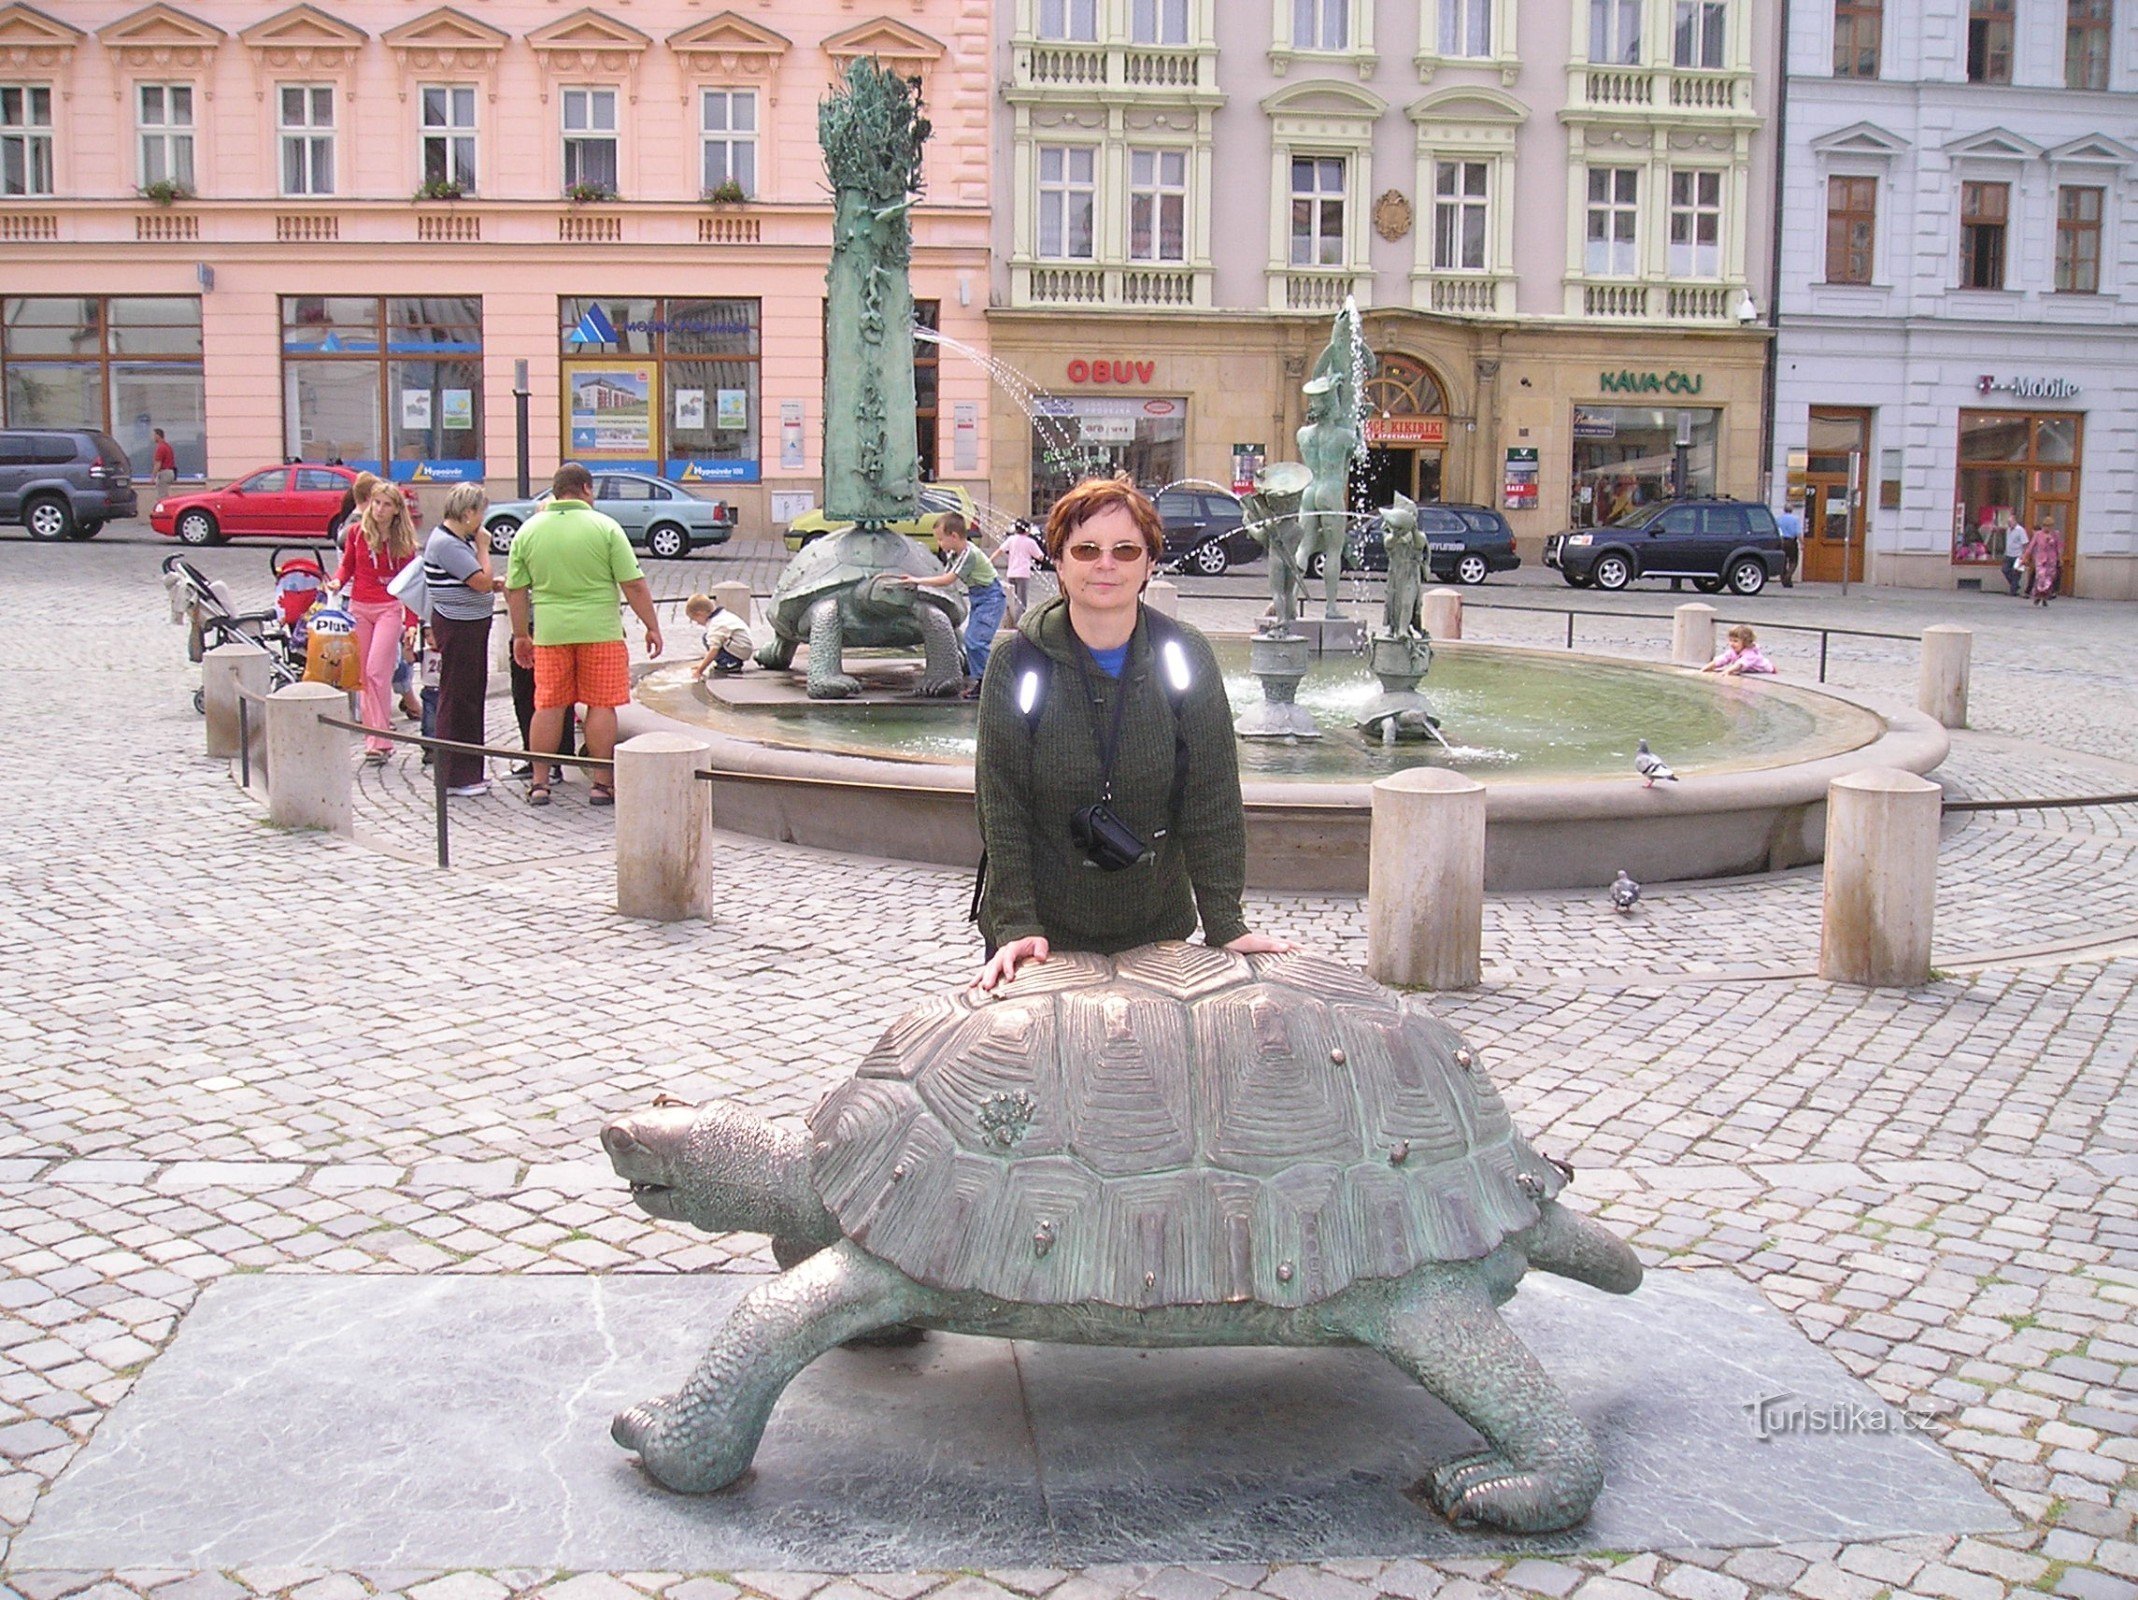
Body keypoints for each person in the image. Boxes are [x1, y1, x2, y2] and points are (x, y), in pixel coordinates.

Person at [971, 476, 1291, 992]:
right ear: (1058, 560)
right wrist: (1017, 925)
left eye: (1125, 550)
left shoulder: (1182, 655)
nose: (1105, 564)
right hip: (1043, 941)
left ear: (1149, 564)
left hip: (1156, 935)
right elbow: (1001, 804)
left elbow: (1211, 797)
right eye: (1086, 549)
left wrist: (1225, 923)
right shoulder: (1019, 662)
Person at [504, 462, 664, 806]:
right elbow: (633, 583)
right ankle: (601, 783)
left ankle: (540, 782)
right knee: (601, 705)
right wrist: (651, 625)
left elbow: (515, 589)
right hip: (601, 631)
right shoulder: (605, 527)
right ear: (587, 489)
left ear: (555, 490)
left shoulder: (529, 530)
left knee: (547, 705)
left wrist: (520, 634)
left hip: (550, 632)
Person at [330, 481, 419, 765]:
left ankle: (379, 738)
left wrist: (413, 621)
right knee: (364, 675)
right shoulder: (357, 533)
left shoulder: (403, 542)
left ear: (396, 510)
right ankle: (377, 740)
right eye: (376, 503)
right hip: (359, 607)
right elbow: (348, 566)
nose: (379, 509)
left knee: (376, 670)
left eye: (386, 505)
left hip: (388, 609)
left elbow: (410, 585)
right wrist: (337, 581)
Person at [421, 482, 497, 796]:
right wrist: (484, 547)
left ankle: (466, 771)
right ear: (468, 513)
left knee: (468, 695)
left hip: (467, 624)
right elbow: (481, 581)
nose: (482, 520)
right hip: (460, 627)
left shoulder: (452, 540)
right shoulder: (449, 544)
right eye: (481, 513)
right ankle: (457, 775)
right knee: (459, 697)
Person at [886, 512, 1004, 695]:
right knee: (971, 641)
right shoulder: (955, 555)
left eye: (941, 539)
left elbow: (947, 580)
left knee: (976, 642)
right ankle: (982, 681)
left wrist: (918, 580)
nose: (939, 544)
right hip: (979, 597)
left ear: (954, 536)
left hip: (991, 598)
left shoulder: (968, 554)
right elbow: (942, 575)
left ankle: (992, 682)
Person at [686, 592, 753, 677]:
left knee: (709, 640)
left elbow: (714, 649)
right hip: (741, 647)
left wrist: (700, 670)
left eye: (695, 620)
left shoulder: (716, 624)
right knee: (707, 637)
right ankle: (728, 661)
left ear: (700, 614)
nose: (697, 623)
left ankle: (730, 663)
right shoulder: (722, 615)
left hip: (740, 649)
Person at [994, 518, 1045, 613]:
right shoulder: (1030, 542)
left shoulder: (1011, 539)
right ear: (1027, 530)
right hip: (1023, 574)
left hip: (1011, 573)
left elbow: (999, 550)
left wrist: (989, 561)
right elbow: (1040, 556)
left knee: (1011, 599)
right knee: (1021, 601)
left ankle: (1010, 621)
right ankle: (1019, 622)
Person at [1702, 625, 1777, 676]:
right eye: (1730, 640)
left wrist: (1727, 671)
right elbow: (1722, 659)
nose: (1732, 644)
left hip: (1766, 670)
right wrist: (1707, 667)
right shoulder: (1732, 651)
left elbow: (1740, 664)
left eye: (1735, 641)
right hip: (1749, 669)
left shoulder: (1751, 653)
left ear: (1745, 642)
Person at [2026, 521, 2062, 606]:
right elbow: (2031, 546)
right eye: (2045, 526)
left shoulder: (2055, 535)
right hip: (2040, 559)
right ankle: (2038, 596)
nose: (2047, 528)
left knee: (2049, 579)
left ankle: (2045, 597)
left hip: (2051, 560)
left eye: (2049, 526)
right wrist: (2025, 557)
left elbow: (2058, 547)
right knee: (2040, 577)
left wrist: (2060, 559)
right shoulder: (2038, 534)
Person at [1776, 501, 1803, 588]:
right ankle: (1787, 577)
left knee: (1782, 561)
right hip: (1791, 541)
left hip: (1781, 541)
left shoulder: (1779, 519)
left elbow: (1776, 531)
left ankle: (1784, 580)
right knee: (1793, 561)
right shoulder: (1795, 519)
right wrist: (1802, 543)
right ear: (1792, 510)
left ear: (1784, 510)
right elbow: (1798, 532)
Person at [2003, 520, 2030, 598]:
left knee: (2016, 574)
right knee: (2005, 570)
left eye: (2010, 523)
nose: (2009, 524)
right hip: (2008, 554)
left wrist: (2024, 555)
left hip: (2018, 555)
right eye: (2008, 523)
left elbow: (2025, 543)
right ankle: (2015, 586)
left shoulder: (2020, 530)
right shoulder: (2008, 530)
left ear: (2015, 522)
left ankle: (2013, 590)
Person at [151, 427, 176, 499]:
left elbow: (158, 464)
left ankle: (164, 510)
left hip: (164, 473)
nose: (153, 437)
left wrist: (153, 476)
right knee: (165, 493)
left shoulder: (160, 448)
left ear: (158, 436)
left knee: (162, 496)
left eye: (154, 435)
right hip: (170, 472)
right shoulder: (168, 446)